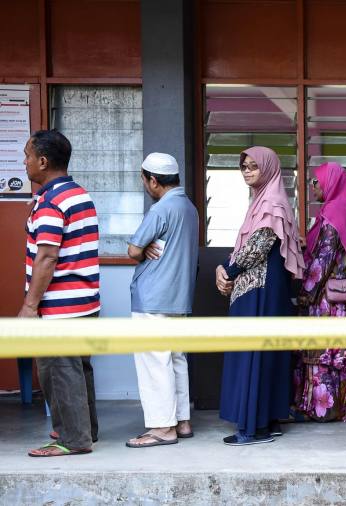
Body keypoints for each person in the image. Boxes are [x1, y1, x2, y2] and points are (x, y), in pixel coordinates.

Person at [216, 146, 305, 446]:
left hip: (261, 291)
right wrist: (225, 269)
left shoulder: (273, 200)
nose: (247, 171)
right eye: (243, 166)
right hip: (260, 289)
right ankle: (267, 420)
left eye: (254, 166)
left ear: (268, 168)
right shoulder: (260, 200)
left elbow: (259, 244)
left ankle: (254, 428)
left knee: (255, 354)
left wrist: (228, 270)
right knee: (263, 355)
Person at [20, 129, 101, 457]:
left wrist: (29, 305)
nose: (23, 162)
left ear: (43, 160)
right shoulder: (77, 193)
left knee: (58, 371)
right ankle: (85, 430)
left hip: (59, 306)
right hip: (85, 300)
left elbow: (48, 256)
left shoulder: (52, 201)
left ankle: (72, 439)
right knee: (78, 369)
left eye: (27, 156)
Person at [125, 153, 199, 448]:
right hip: (179, 297)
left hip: (153, 298)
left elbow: (132, 250)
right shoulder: (189, 208)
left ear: (153, 181)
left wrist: (142, 251)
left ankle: (161, 428)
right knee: (176, 359)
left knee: (154, 362)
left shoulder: (160, 210)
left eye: (144, 180)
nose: (145, 185)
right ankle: (182, 422)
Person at [291, 162, 346, 423]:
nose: (312, 186)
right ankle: (342, 408)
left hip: (324, 301)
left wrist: (305, 295)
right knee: (339, 354)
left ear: (330, 183)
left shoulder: (331, 213)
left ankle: (321, 410)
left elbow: (322, 261)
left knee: (320, 356)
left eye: (315, 182)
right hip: (344, 301)